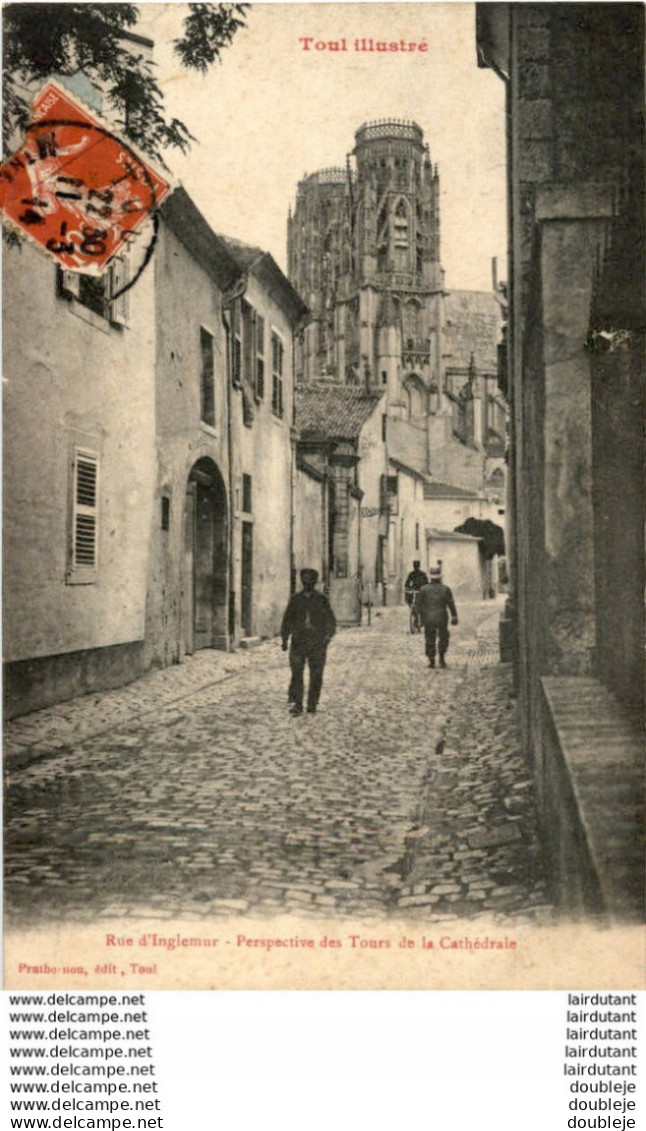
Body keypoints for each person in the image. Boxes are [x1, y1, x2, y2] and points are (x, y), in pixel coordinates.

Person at [280, 568, 336, 715]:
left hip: (317, 643)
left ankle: (312, 704)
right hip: (299, 642)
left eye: (310, 579)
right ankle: (298, 704)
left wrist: (327, 636)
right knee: (297, 674)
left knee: (316, 675)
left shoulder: (321, 599)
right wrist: (284, 639)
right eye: (304, 579)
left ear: (315, 581)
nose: (307, 582)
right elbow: (287, 620)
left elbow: (330, 620)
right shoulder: (295, 599)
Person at [416, 566, 458, 669]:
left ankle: (431, 660)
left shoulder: (423, 589)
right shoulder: (445, 589)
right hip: (442, 617)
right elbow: (451, 604)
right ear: (440, 577)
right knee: (443, 637)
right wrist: (454, 615)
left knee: (430, 638)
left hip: (428, 618)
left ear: (430, 577)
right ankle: (442, 658)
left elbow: (418, 606)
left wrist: (419, 618)